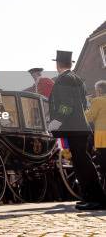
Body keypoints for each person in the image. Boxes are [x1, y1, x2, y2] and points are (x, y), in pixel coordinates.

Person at [48, 50, 106, 210]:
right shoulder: (77, 78)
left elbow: (66, 103)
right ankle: (90, 196)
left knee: (83, 163)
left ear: (57, 64)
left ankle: (97, 198)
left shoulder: (64, 79)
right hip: (80, 127)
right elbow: (82, 103)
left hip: (73, 127)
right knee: (81, 162)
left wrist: (58, 120)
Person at [85, 80, 106, 178]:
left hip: (102, 134)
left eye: (96, 90)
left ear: (100, 90)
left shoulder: (97, 101)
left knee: (103, 158)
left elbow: (89, 117)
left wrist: (84, 110)